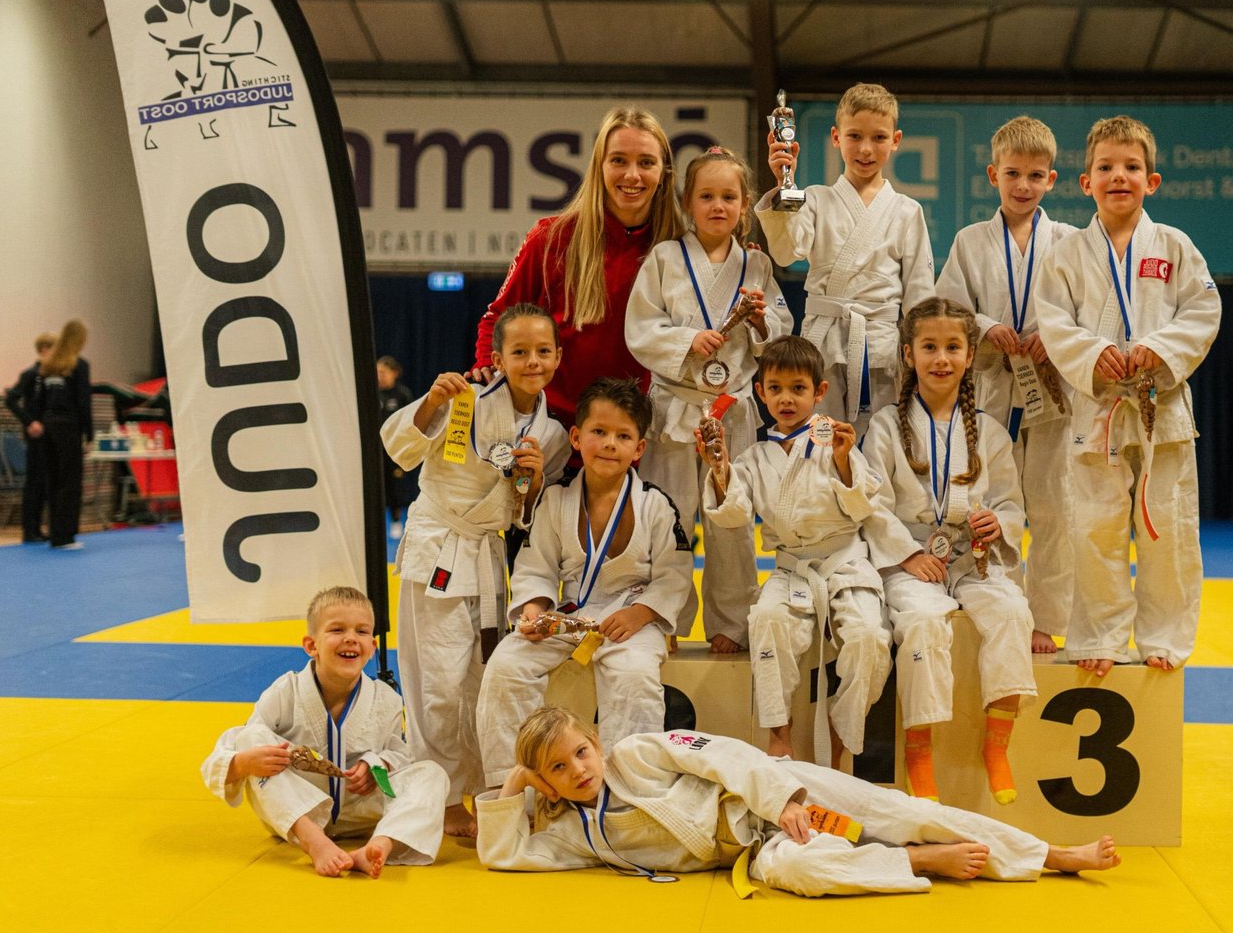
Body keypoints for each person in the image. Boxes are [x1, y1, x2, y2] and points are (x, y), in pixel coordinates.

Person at [476, 705, 1120, 895]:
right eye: (556, 769)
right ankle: (920, 862)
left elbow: (724, 754)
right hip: (754, 852)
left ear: (595, 742)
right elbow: (504, 856)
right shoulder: (578, 835)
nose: (577, 770)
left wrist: (783, 798)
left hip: (769, 797)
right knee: (806, 874)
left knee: (908, 813)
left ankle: (1053, 855)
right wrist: (515, 784)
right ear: (546, 781)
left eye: (579, 752)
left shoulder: (638, 752)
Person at [1033, 115, 1222, 678]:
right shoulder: (1066, 255)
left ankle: (1164, 635)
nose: (1119, 176)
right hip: (1097, 409)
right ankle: (1100, 634)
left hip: (1161, 405)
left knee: (1169, 522)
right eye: (1106, 167)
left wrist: (1159, 349)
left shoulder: (1175, 246)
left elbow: (1204, 310)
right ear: (1085, 182)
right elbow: (1053, 320)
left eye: (1132, 167)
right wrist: (1093, 353)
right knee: (1093, 526)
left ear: (1152, 181)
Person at [381, 303, 570, 837]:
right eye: (519, 352)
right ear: (498, 358)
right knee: (436, 684)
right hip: (439, 548)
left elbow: (529, 513)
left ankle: (480, 789)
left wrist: (533, 481)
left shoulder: (552, 433)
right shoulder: (464, 398)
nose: (532, 361)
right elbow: (399, 450)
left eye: (543, 351)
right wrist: (430, 402)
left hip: (487, 556)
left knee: (479, 682)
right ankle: (440, 799)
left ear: (558, 357)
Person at [860, 298, 1036, 805]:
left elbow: (1010, 503)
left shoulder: (990, 431)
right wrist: (906, 556)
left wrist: (997, 523)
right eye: (930, 347)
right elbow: (873, 504)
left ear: (970, 354)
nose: (942, 359)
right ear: (908, 354)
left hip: (972, 556)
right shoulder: (887, 428)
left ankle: (997, 745)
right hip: (912, 557)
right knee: (921, 623)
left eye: (953, 347)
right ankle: (919, 755)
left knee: (1012, 612)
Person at [476, 378, 693, 787]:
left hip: (632, 619)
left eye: (623, 436)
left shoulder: (656, 505)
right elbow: (536, 567)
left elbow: (674, 574)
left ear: (639, 448)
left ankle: (627, 790)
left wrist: (641, 613)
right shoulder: (556, 499)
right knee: (506, 664)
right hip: (570, 615)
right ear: (576, 438)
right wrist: (533, 611)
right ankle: (511, 787)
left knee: (634, 677)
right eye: (599, 432)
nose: (610, 444)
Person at [625, 146, 793, 652]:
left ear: (744, 204)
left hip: (731, 408)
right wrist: (685, 340)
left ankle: (732, 623)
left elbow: (782, 329)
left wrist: (762, 321)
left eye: (728, 197)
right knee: (668, 515)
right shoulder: (664, 258)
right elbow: (641, 327)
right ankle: (664, 617)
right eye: (706, 196)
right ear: (687, 203)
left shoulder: (756, 264)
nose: (718, 206)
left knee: (731, 515)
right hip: (674, 406)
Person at [701, 335, 890, 768]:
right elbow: (733, 516)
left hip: (846, 564)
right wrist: (720, 469)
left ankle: (842, 731)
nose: (786, 399)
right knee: (766, 619)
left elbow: (863, 508)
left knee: (870, 639)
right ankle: (779, 731)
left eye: (798, 388)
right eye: (776, 388)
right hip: (791, 570)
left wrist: (844, 462)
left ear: (819, 392)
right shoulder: (753, 458)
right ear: (761, 392)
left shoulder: (837, 444)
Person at [936, 116, 1080, 655]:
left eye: (1036, 175)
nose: (1023, 185)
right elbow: (947, 308)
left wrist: (1055, 336)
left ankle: (1046, 617)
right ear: (993, 174)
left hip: (1052, 391)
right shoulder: (970, 241)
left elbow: (1084, 311)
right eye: (1013, 173)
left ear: (1052, 180)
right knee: (989, 500)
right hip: (992, 387)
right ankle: (997, 602)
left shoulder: (1069, 241)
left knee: (1053, 504)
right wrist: (982, 326)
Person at [200, 587, 448, 878]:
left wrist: (376, 766)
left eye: (362, 631)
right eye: (337, 629)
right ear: (311, 645)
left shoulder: (387, 700)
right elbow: (230, 749)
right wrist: (243, 763)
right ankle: (315, 842)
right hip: (295, 812)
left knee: (432, 774)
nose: (351, 638)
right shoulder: (286, 692)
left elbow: (399, 754)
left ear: (372, 647)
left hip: (361, 811)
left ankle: (379, 846)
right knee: (251, 737)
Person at [471, 108, 686, 431]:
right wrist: (486, 367)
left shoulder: (681, 250)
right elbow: (498, 317)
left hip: (637, 436)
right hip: (551, 432)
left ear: (664, 172)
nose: (632, 175)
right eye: (618, 160)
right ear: (599, 167)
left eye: (646, 162)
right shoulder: (550, 238)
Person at [757, 82, 936, 436]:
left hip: (881, 344)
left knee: (881, 442)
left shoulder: (907, 211)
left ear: (896, 140)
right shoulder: (814, 199)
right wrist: (783, 184)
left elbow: (919, 295)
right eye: (855, 136)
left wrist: (921, 353)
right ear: (836, 138)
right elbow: (785, 253)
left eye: (879, 137)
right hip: (823, 342)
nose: (866, 149)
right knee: (818, 442)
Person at [27, 320, 92, 550]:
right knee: (70, 481)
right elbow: (83, 402)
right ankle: (66, 536)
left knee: (53, 480)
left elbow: (39, 400)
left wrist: (37, 421)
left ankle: (56, 534)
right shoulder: (79, 365)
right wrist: (89, 434)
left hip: (48, 426)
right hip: (68, 427)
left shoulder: (48, 365)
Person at [4, 331, 57, 543]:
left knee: (45, 484)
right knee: (34, 483)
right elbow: (11, 400)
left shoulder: (53, 378)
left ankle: (38, 527)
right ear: (44, 350)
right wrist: (29, 422)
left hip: (50, 434)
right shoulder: (30, 375)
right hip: (36, 435)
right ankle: (29, 529)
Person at [376, 355, 416, 538]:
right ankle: (376, 524)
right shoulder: (372, 393)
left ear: (394, 373)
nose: (380, 376)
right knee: (376, 487)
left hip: (395, 450)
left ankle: (395, 520)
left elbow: (411, 422)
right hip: (376, 451)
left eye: (383, 372)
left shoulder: (403, 394)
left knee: (396, 487)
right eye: (377, 373)